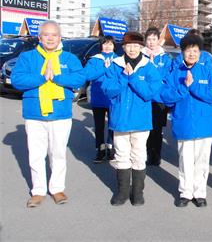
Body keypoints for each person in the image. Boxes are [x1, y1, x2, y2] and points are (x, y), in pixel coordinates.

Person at [11, 20, 86, 207]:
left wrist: (58, 77)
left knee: (58, 153)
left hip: (61, 115)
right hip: (35, 115)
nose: (50, 38)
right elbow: (17, 80)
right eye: (46, 34)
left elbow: (79, 78)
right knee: (36, 154)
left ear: (60, 37)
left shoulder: (69, 58)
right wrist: (41, 77)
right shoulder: (28, 57)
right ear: (40, 37)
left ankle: (57, 189)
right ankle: (38, 191)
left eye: (54, 35)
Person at [161, 34, 212, 208]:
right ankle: (185, 192)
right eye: (189, 51)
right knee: (185, 159)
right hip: (184, 121)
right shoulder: (175, 72)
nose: (192, 54)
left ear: (200, 52)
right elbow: (166, 96)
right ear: (182, 52)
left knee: (202, 160)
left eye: (195, 51)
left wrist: (193, 86)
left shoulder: (208, 71)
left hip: (205, 123)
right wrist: (183, 88)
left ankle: (200, 193)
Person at [102, 31, 162, 206]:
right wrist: (123, 77)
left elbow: (149, 92)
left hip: (140, 121)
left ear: (141, 47)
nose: (133, 49)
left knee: (139, 154)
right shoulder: (115, 65)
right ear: (124, 47)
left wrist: (133, 77)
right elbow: (108, 90)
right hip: (119, 120)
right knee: (121, 155)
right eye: (129, 45)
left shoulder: (148, 67)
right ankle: (122, 192)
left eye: (136, 45)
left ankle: (137, 192)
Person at [84, 35, 118, 163]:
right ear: (101, 46)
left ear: (114, 46)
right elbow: (88, 75)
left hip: (113, 98)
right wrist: (104, 68)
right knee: (99, 126)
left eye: (110, 44)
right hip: (98, 98)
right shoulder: (95, 60)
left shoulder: (118, 60)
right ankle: (100, 149)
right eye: (105, 44)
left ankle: (111, 148)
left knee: (112, 124)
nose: (108, 46)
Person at [142, 27, 172, 166]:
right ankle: (147, 154)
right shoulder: (141, 55)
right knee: (146, 128)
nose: (151, 42)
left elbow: (166, 76)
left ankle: (156, 155)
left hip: (159, 99)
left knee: (158, 130)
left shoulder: (165, 57)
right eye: (149, 39)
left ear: (158, 40)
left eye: (154, 39)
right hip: (145, 98)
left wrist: (153, 68)